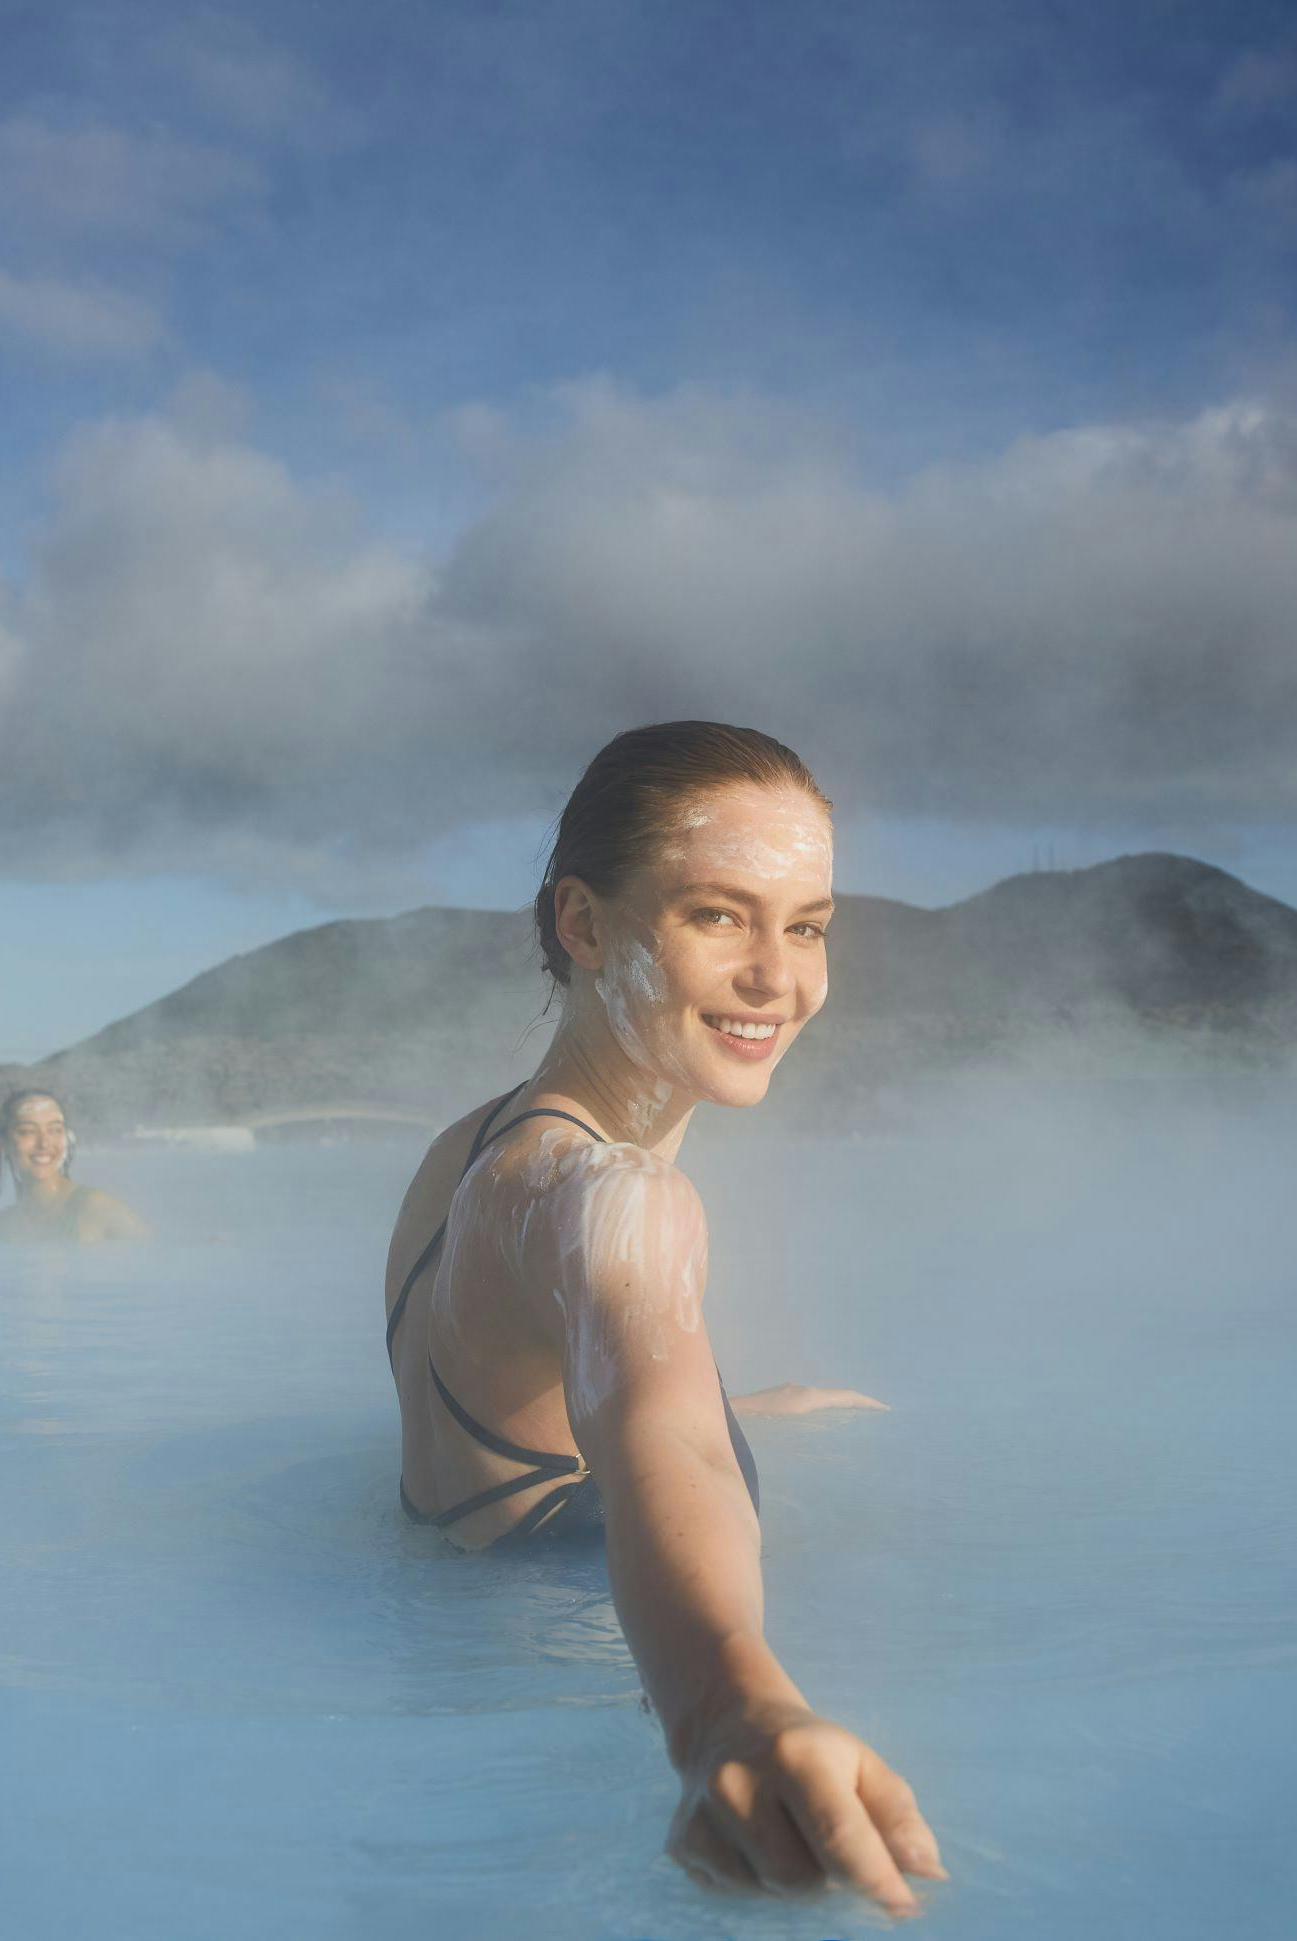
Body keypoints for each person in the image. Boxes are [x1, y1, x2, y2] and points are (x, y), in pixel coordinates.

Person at [378, 721, 941, 1915]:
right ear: (583, 926)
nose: (778, 979)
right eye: (717, 915)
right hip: (580, 1724)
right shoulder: (621, 1198)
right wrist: (733, 1715)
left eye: (808, 926)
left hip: (450, 1703)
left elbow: (573, 1385)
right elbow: (664, 1448)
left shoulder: (477, 1150)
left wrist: (749, 1411)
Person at [0, 1088, 149, 1243]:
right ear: (4, 1143)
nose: (44, 1144)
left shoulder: (97, 1209)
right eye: (28, 1131)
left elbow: (149, 1258)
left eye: (55, 1130)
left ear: (67, 1138)